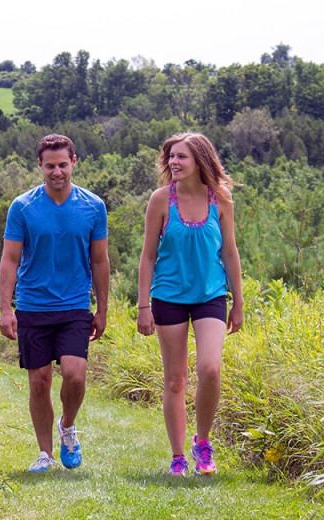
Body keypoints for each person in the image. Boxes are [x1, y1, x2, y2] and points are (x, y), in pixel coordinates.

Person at [0, 133, 109, 472]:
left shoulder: (93, 206)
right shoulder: (23, 207)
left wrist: (102, 309)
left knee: (75, 376)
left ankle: (68, 426)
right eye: (50, 166)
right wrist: (6, 308)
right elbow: (10, 259)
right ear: (40, 166)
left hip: (75, 305)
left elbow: (100, 261)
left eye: (63, 164)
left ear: (74, 163)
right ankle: (45, 453)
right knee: (39, 381)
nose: (57, 172)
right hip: (33, 305)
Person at [137, 132, 244, 476]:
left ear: (200, 160)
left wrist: (238, 302)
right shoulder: (160, 200)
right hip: (167, 297)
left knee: (210, 369)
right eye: (170, 157)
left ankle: (203, 443)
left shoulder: (221, 199)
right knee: (175, 380)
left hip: (211, 295)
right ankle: (178, 456)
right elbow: (148, 255)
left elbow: (229, 251)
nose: (173, 162)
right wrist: (143, 306)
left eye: (181, 156)